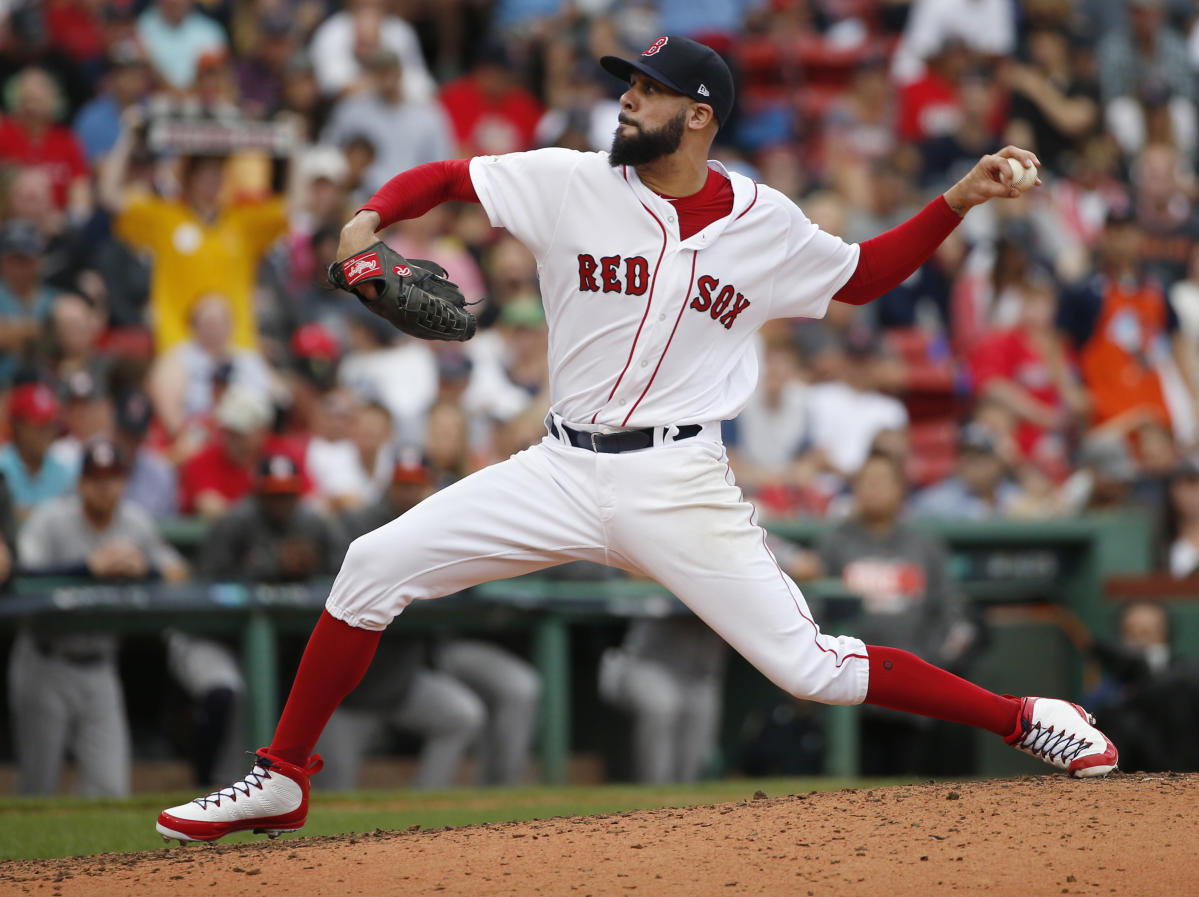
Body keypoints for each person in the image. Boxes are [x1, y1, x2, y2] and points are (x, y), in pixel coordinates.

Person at [157, 36, 1118, 843]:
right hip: (558, 466)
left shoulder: (760, 222)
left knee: (811, 669)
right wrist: (367, 218)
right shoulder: (570, 182)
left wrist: (956, 199)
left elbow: (862, 277)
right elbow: (449, 177)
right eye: (627, 85)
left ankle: (1029, 717)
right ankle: (283, 774)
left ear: (698, 116)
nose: (625, 102)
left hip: (676, 479)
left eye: (647, 90)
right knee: (371, 563)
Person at [11, 437, 187, 796]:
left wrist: (145, 570)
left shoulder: (134, 521)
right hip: (45, 661)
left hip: (101, 668)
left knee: (110, 789)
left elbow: (177, 572)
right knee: (37, 788)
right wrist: (87, 568)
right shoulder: (52, 518)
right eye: (95, 478)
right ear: (80, 483)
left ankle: (90, 857)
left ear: (123, 482)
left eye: (112, 477)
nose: (104, 487)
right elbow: (21, 572)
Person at [787, 450, 975, 775]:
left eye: (882, 481)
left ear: (900, 489)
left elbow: (951, 612)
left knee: (912, 786)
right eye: (866, 482)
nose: (873, 489)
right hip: (850, 688)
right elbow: (812, 610)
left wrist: (932, 663)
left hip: (913, 685)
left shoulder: (924, 544)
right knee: (850, 787)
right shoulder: (834, 542)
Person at [599, 615, 727, 784]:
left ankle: (688, 799)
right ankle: (655, 791)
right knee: (662, 706)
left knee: (699, 728)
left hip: (701, 675)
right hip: (649, 665)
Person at [0, 381, 77, 520]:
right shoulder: (2, 466)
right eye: (40, 426)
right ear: (18, 425)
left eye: (51, 425)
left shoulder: (66, 473)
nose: (47, 432)